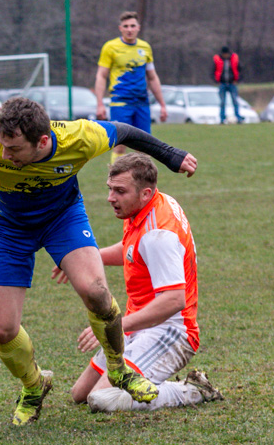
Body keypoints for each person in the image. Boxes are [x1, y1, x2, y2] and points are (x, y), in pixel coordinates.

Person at [0, 97, 197, 425]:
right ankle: (34, 385)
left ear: (42, 142)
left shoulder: (80, 137)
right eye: (2, 145)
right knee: (2, 329)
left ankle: (119, 371)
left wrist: (173, 156)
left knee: (96, 290)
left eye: (14, 149)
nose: (3, 154)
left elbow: (128, 132)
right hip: (6, 228)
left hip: (62, 219)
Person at [53, 153, 223, 413]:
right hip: (139, 324)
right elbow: (132, 249)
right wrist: (86, 258)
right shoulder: (148, 207)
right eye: (110, 189)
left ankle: (191, 391)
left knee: (101, 399)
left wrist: (116, 325)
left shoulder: (158, 235)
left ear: (144, 193)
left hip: (171, 331)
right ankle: (143, 377)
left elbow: (174, 300)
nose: (111, 198)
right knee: (80, 394)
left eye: (120, 191)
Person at [94, 11, 168, 164]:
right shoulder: (110, 47)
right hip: (120, 102)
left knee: (144, 146)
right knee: (120, 145)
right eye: (126, 26)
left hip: (141, 102)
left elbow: (152, 77)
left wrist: (162, 104)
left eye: (132, 26)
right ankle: (116, 181)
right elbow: (102, 75)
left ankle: (143, 182)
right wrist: (100, 103)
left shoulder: (145, 47)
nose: (129, 29)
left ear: (138, 28)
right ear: (120, 28)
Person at [212, 46, 244, 124]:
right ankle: (222, 118)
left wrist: (237, 80)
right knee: (222, 102)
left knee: (235, 101)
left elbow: (241, 70)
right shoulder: (218, 60)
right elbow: (213, 71)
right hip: (222, 83)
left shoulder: (234, 59)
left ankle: (238, 117)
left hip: (232, 83)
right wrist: (217, 81)